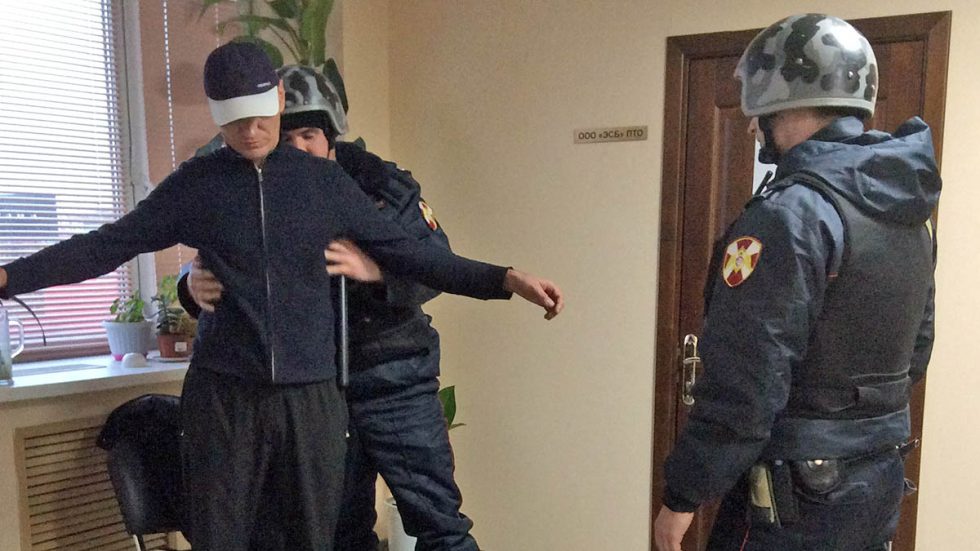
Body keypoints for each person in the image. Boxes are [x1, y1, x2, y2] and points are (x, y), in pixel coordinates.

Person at [0, 42, 564, 551]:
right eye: (234, 120)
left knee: (317, 538)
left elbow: (415, 256)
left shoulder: (326, 183)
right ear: (216, 115)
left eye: (259, 115)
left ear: (278, 98)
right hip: (225, 397)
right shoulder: (195, 187)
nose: (250, 132)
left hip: (314, 397)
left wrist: (504, 278)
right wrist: (10, 277)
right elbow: (106, 246)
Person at [653, 14, 939, 551]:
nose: (750, 126)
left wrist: (682, 497)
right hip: (874, 483)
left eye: (756, 109)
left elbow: (745, 382)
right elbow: (915, 352)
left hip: (792, 499)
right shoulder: (909, 214)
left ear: (782, 97)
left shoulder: (791, 215)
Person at [180, 64, 482, 550]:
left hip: (393, 380)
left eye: (309, 135)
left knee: (440, 525)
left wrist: (377, 270)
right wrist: (189, 283)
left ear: (331, 137)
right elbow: (218, 261)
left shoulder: (384, 188)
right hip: (313, 395)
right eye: (288, 137)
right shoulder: (253, 191)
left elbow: (438, 266)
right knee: (335, 533)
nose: (298, 148)